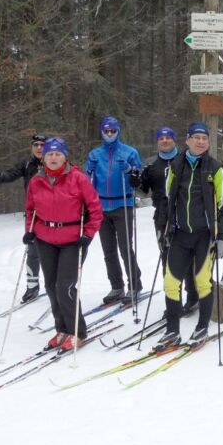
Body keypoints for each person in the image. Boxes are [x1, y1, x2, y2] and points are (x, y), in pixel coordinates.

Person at [156, 122, 223, 349]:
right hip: (180, 234)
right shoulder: (175, 166)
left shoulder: (216, 169)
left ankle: (202, 327)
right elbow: (167, 201)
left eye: (204, 138)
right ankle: (172, 331)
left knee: (201, 281)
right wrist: (164, 229)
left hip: (204, 235)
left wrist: (221, 237)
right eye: (196, 137)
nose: (201, 142)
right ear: (188, 140)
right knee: (170, 281)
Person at [24, 137, 102, 350]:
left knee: (64, 287)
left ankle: (77, 331)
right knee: (50, 285)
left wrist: (88, 234)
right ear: (44, 158)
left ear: (65, 156)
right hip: (45, 238)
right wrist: (29, 232)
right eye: (49, 154)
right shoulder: (36, 181)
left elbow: (95, 209)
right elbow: (30, 209)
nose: (53, 157)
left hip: (72, 240)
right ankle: (62, 328)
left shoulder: (78, 179)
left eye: (58, 154)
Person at [138, 126, 198, 314]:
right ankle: (173, 303)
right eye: (161, 138)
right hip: (162, 218)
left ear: (174, 140)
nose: (165, 141)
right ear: (157, 141)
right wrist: (135, 181)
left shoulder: (184, 159)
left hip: (184, 215)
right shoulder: (151, 164)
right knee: (168, 260)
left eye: (168, 137)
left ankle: (193, 295)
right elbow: (142, 191)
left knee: (188, 258)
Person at [85, 116, 143, 304]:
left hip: (123, 204)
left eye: (113, 131)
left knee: (126, 248)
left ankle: (135, 285)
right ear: (102, 132)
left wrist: (129, 170)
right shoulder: (95, 154)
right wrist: (89, 172)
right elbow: (87, 179)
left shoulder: (129, 152)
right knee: (108, 250)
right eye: (106, 131)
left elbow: (138, 176)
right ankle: (116, 286)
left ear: (118, 132)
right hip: (102, 206)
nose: (109, 134)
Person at [0, 133, 47, 303]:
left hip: (53, 214)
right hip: (33, 214)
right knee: (33, 252)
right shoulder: (27, 163)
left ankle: (56, 284)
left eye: (42, 145)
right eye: (36, 145)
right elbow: (10, 175)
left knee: (52, 251)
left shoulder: (54, 161)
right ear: (31, 147)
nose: (39, 148)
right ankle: (32, 286)